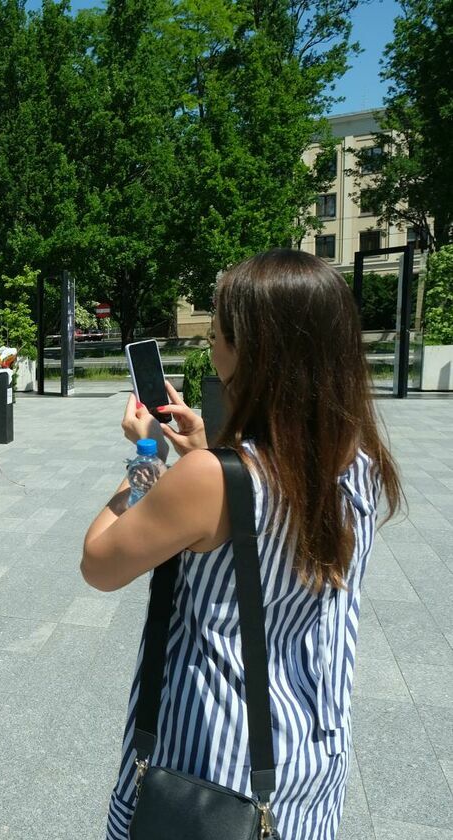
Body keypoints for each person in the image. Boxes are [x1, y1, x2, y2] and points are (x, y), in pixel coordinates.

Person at [80, 249, 403, 840]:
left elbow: (99, 563)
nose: (210, 342)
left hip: (211, 761)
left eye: (219, 328)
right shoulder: (357, 463)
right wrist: (204, 447)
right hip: (309, 749)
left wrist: (147, 456)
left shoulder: (211, 480)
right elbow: (261, 486)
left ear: (254, 350)